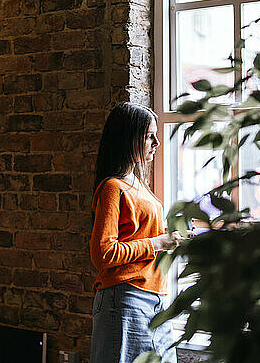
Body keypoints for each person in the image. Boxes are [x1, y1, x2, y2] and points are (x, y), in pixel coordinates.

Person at [90, 102, 182, 363]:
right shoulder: (112, 187)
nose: (157, 142)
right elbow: (103, 253)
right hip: (124, 298)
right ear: (129, 138)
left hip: (155, 299)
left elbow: (142, 235)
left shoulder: (138, 184)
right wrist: (158, 242)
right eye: (149, 136)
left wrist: (171, 236)